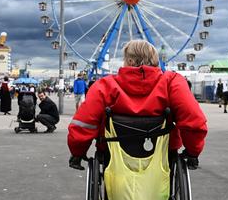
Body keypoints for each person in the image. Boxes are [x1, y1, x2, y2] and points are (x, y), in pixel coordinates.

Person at [68, 39, 207, 167]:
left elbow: (83, 123)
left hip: (113, 155)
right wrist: (193, 151)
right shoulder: (172, 82)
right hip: (163, 155)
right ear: (155, 60)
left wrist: (77, 152)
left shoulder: (104, 86)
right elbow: (193, 120)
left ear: (128, 60)